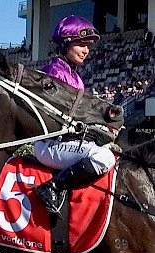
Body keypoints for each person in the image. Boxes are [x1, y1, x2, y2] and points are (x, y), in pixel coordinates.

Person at [34, 15, 118, 215]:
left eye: (88, 46)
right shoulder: (53, 72)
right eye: (81, 45)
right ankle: (52, 187)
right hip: (50, 144)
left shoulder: (76, 78)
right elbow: (54, 119)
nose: (86, 51)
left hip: (67, 142)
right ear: (66, 44)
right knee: (104, 157)